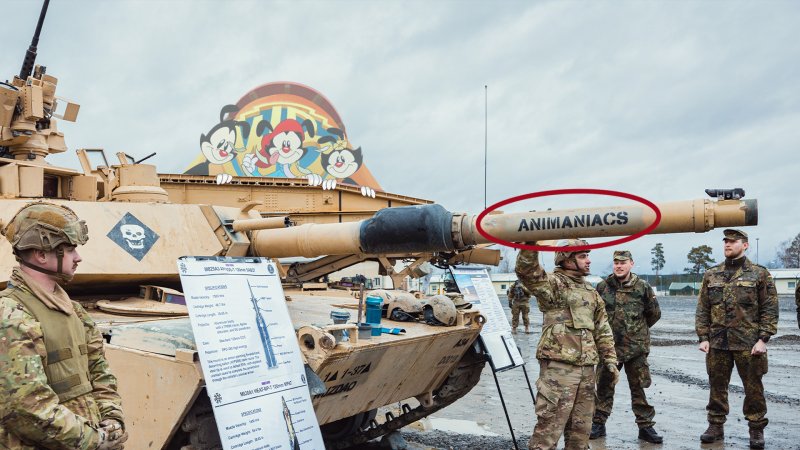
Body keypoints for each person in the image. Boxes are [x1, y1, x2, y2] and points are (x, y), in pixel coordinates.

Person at [0, 202, 128, 450]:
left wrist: (112, 419)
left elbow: (100, 374)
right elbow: (25, 407)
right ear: (41, 254)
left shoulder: (74, 311)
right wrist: (94, 441)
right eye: (69, 250)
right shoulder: (11, 317)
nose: (78, 257)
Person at [516, 239, 618, 450]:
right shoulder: (554, 285)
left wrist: (610, 360)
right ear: (567, 260)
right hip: (559, 370)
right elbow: (527, 272)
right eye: (582, 256)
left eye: (587, 255)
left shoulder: (591, 292)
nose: (588, 260)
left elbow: (602, 329)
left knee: (580, 434)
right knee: (548, 431)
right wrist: (529, 244)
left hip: (587, 371)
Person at [695, 229, 778, 449]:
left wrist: (763, 339)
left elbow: (769, 308)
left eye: (733, 241)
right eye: (726, 241)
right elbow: (703, 308)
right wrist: (703, 336)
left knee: (753, 388)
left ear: (745, 245)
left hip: (748, 343)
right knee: (716, 386)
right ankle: (715, 426)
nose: (728, 245)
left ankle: (756, 428)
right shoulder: (712, 274)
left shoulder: (759, 274)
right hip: (718, 342)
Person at [590, 250, 663, 444]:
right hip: (609, 349)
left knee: (639, 388)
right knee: (604, 386)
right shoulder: (602, 287)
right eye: (616, 263)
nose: (619, 266)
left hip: (635, 349)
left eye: (623, 263)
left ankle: (645, 427)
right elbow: (595, 316)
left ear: (631, 264)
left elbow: (653, 314)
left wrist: (636, 332)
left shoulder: (643, 287)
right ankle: (598, 423)